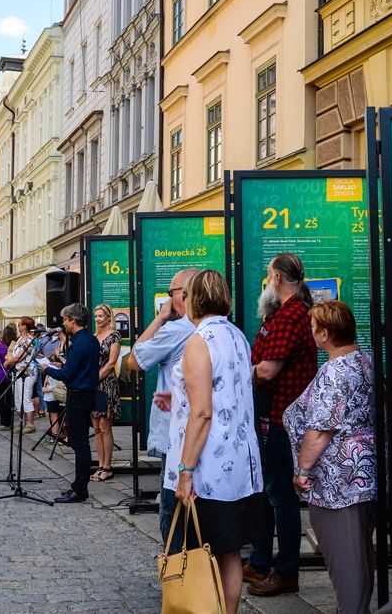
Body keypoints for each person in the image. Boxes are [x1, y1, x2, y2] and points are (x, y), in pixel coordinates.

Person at [168, 270, 264, 614]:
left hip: (209, 467)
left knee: (203, 552)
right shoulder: (237, 336)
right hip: (239, 464)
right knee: (229, 551)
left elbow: (203, 412)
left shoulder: (199, 340)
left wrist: (185, 469)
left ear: (195, 298)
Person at [283, 301, 376, 614]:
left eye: (313, 329)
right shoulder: (364, 360)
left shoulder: (335, 370)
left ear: (325, 334)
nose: (311, 334)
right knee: (360, 554)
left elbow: (321, 427)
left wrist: (302, 469)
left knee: (345, 559)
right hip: (364, 475)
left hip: (339, 480)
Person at [246, 252, 318, 596]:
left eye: (268, 273)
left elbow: (268, 369)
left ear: (276, 279)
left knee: (281, 497)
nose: (266, 279)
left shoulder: (292, 315)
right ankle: (260, 561)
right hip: (271, 417)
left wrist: (241, 376)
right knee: (266, 491)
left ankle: (287, 570)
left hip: (282, 420)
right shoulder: (282, 313)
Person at [127, 267, 198, 540]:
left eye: (171, 293)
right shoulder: (225, 328)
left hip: (177, 432)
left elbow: (135, 359)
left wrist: (160, 318)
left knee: (171, 504)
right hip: (206, 430)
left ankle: (176, 570)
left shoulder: (176, 329)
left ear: (182, 295)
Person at [40, 303, 100, 503]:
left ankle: (80, 489)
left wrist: (47, 369)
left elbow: (67, 375)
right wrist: (62, 364)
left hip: (78, 395)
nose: (63, 323)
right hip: (87, 393)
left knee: (80, 443)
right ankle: (78, 485)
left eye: (65, 319)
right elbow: (78, 367)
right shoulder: (90, 340)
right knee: (80, 442)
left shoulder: (78, 343)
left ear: (73, 321)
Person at [91, 304, 121, 482]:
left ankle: (107, 467)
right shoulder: (94, 336)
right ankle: (100, 465)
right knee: (95, 428)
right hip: (94, 386)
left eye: (101, 316)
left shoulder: (114, 336)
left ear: (109, 317)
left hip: (106, 385)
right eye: (96, 316)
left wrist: (94, 378)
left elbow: (111, 364)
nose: (97, 319)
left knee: (104, 426)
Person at [3, 317, 39, 433]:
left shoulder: (30, 340)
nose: (18, 327)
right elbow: (10, 351)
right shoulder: (18, 340)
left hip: (27, 372)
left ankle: (30, 424)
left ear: (25, 326)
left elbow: (21, 356)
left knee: (26, 397)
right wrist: (8, 358)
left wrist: (8, 362)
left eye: (20, 325)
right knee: (18, 398)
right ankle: (21, 423)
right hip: (17, 372)